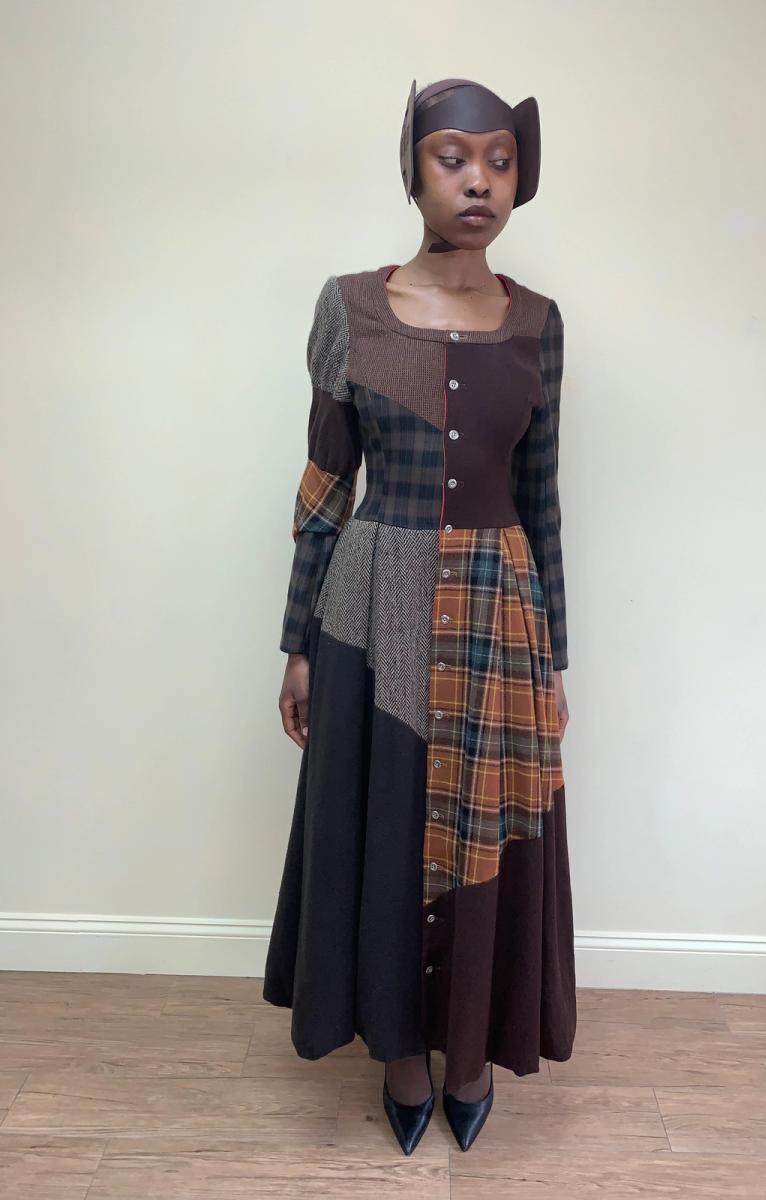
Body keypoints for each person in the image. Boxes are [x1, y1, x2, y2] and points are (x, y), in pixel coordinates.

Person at [263, 76, 576, 1156]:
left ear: (521, 177)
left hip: (499, 612)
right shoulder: (352, 308)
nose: (478, 180)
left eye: (499, 159)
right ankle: (401, 1053)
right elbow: (325, 487)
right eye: (454, 158)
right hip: (373, 604)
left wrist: (556, 659)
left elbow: (541, 499)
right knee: (387, 823)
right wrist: (298, 644)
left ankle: (473, 1051)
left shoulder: (537, 325)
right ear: (414, 170)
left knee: (485, 825)